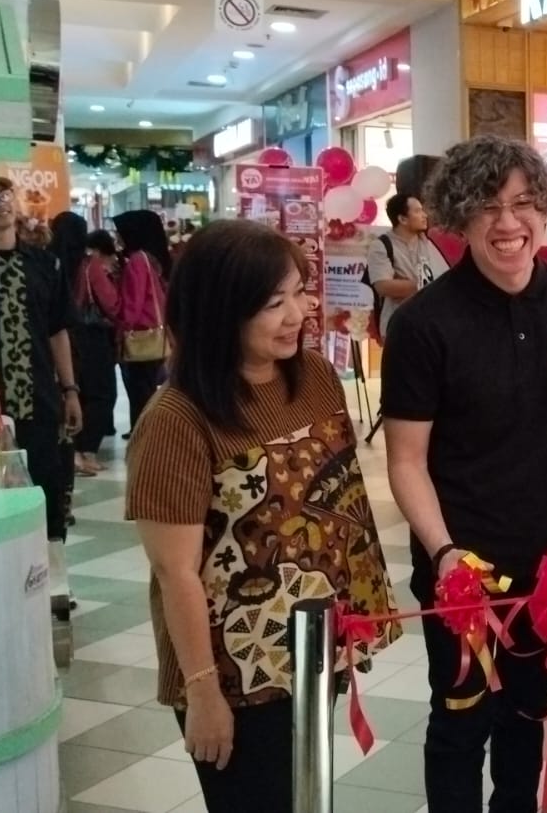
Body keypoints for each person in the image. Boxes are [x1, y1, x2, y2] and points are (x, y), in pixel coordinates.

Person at [125, 219, 399, 813]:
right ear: (221, 311)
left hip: (311, 649)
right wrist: (203, 693)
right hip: (232, 671)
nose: (297, 314)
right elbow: (176, 572)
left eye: (299, 293)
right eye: (274, 303)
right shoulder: (176, 419)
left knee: (303, 795)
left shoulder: (316, 377)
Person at [380, 136, 547, 813]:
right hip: (463, 566)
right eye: (487, 206)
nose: (508, 223)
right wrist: (445, 552)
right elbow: (406, 460)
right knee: (459, 722)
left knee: (527, 715)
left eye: (523, 203)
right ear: (458, 215)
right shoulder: (424, 324)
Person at [0, 179, 81, 542]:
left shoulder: (44, 263)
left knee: (47, 489)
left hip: (40, 401)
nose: (0, 204)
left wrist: (70, 390)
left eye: (5, 195)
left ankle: (50, 567)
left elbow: (57, 330)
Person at [54, 215, 121, 475]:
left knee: (73, 392)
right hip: (90, 336)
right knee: (102, 393)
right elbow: (111, 302)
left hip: (59, 337)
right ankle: (87, 452)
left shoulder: (48, 261)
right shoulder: (88, 264)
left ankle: (72, 452)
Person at [113, 209, 172, 432]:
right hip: (155, 333)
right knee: (147, 390)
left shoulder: (137, 261)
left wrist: (122, 329)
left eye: (120, 232)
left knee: (140, 392)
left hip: (141, 335)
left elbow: (133, 302)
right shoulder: (153, 259)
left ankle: (143, 435)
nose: (118, 237)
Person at [367, 193, 449, 341]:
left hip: (429, 326)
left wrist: (405, 285)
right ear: (402, 219)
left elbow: (444, 280)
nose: (424, 215)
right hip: (398, 327)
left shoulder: (426, 243)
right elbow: (383, 286)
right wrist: (425, 286)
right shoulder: (381, 245)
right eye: (417, 211)